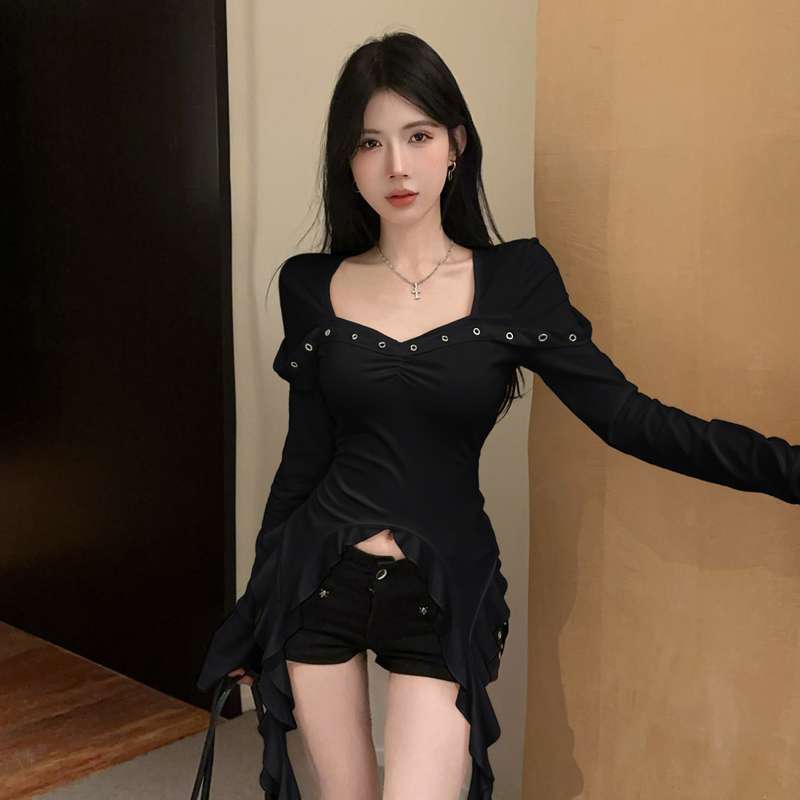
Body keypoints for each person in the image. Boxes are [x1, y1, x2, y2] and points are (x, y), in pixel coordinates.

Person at [196, 31, 799, 800]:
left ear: (456, 143)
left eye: (417, 136)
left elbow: (628, 418)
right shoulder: (310, 285)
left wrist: (788, 468)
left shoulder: (517, 280)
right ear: (348, 161)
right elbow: (304, 459)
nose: (396, 166)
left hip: (440, 589)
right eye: (371, 143)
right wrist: (252, 610)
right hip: (317, 581)